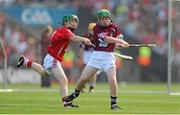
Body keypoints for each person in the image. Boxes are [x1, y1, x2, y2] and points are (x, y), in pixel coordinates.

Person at [16, 14, 94, 108]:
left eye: (75, 21)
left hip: (51, 57)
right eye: (72, 21)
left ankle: (25, 61)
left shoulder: (63, 30)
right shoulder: (64, 30)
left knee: (44, 74)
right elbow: (74, 38)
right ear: (65, 23)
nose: (75, 23)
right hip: (53, 58)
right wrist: (84, 39)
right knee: (63, 80)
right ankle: (66, 103)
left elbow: (69, 39)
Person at [63, 9, 129, 110]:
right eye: (103, 19)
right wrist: (120, 41)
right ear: (99, 19)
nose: (105, 20)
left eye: (107, 18)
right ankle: (74, 94)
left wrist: (121, 45)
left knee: (112, 78)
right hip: (96, 57)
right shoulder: (96, 28)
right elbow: (106, 39)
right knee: (83, 79)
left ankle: (113, 104)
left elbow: (115, 44)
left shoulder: (115, 27)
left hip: (108, 57)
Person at [78, 22, 97, 93]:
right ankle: (83, 86)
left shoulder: (99, 36)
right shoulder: (85, 36)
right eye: (91, 29)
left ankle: (92, 87)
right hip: (86, 54)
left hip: (95, 54)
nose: (92, 31)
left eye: (94, 29)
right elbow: (81, 47)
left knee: (94, 72)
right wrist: (81, 57)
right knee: (85, 71)